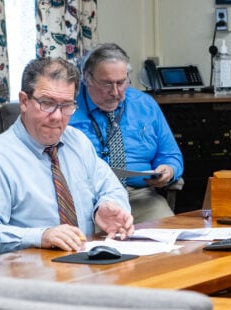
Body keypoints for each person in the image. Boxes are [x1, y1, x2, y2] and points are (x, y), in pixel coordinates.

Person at [0, 58, 133, 259]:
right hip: (26, 275)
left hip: (85, 264)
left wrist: (104, 206)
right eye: (48, 103)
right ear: (24, 101)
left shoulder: (77, 141)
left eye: (66, 105)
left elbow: (111, 187)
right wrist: (40, 236)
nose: (57, 117)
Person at [71, 43, 184, 222]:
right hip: (87, 199)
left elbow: (171, 155)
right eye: (107, 84)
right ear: (87, 78)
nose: (115, 92)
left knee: (169, 239)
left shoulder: (145, 104)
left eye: (121, 82)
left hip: (138, 197)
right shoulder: (68, 109)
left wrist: (169, 170)